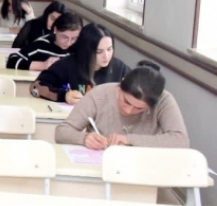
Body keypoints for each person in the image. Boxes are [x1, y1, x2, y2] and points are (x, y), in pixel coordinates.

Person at [55, 61, 189, 149]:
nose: (129, 111)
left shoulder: (164, 101)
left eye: (139, 108)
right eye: (126, 101)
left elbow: (181, 141)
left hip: (144, 168)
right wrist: (84, 138)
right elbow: (62, 132)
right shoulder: (99, 94)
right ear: (119, 88)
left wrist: (128, 140)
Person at [33, 24, 130, 104]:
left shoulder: (120, 68)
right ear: (86, 51)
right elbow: (35, 87)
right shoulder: (67, 65)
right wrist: (64, 95)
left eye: (109, 49)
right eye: (99, 52)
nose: (106, 56)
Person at [6, 12, 82, 71]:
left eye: (74, 38)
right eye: (64, 37)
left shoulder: (78, 48)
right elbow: (12, 61)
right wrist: (42, 65)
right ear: (55, 29)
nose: (68, 43)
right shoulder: (41, 45)